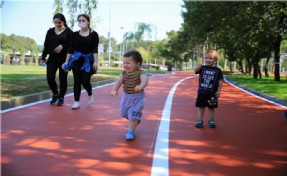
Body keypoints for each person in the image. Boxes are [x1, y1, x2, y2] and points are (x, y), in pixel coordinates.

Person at [62, 14, 99, 109]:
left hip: (88, 60)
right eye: (79, 21)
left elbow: (95, 49)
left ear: (88, 22)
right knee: (77, 80)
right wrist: (66, 61)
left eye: (83, 20)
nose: (81, 22)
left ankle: (90, 93)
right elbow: (70, 48)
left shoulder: (94, 34)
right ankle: (76, 102)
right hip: (77, 60)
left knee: (85, 81)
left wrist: (95, 61)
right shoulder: (74, 35)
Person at [110, 50, 148, 141]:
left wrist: (141, 86)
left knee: (132, 116)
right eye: (124, 63)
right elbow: (119, 81)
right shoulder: (123, 73)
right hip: (126, 97)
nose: (125, 65)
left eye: (128, 63)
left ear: (137, 64)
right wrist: (114, 89)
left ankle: (130, 131)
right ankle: (135, 118)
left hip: (138, 97)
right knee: (124, 114)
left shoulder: (141, 73)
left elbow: (145, 81)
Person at [41, 13, 73, 106]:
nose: (58, 24)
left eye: (60, 22)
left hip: (64, 59)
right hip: (52, 58)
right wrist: (43, 56)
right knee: (50, 77)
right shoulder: (50, 31)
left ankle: (61, 97)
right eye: (55, 22)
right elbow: (46, 44)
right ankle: (55, 94)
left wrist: (63, 45)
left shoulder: (69, 32)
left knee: (63, 79)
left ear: (63, 22)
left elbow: (72, 45)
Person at [194, 49, 223, 128]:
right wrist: (198, 66)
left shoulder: (218, 70)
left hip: (212, 93)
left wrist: (219, 91)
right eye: (206, 58)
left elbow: (220, 81)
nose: (208, 60)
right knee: (201, 107)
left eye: (210, 58)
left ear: (215, 60)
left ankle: (211, 120)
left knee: (211, 107)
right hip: (202, 92)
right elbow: (195, 70)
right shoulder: (202, 68)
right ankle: (199, 120)